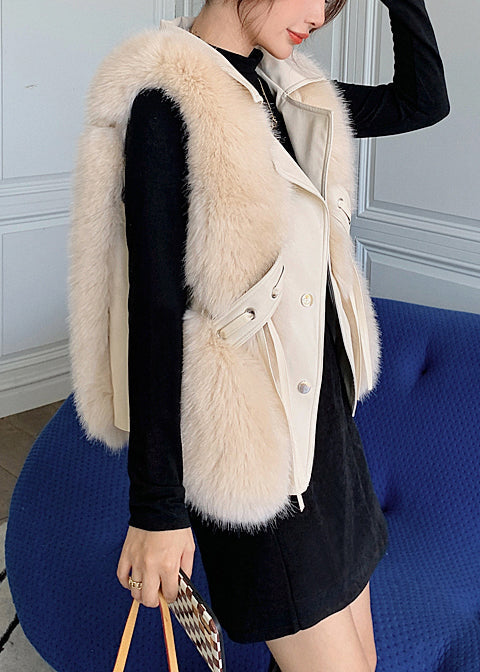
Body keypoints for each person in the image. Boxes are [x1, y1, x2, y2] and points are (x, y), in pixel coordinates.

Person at [68, 1, 448, 670]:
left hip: (326, 437)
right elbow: (152, 315)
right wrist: (157, 510)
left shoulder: (286, 89)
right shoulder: (168, 101)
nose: (322, 14)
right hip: (255, 453)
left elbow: (422, 102)